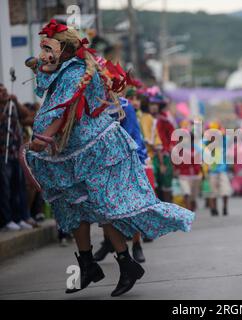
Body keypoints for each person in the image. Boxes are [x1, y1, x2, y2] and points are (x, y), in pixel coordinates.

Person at [24, 20, 194, 297]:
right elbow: (45, 89)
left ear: (65, 49)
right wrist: (41, 66)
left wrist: (43, 138)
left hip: (94, 150)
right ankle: (88, 263)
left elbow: (66, 109)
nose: (43, 52)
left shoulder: (76, 72)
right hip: (70, 152)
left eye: (48, 47)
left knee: (105, 207)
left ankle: (126, 263)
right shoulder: (65, 69)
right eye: (43, 47)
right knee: (72, 206)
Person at [94, 93, 149, 263]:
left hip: (125, 158)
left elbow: (132, 134)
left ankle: (136, 244)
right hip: (101, 161)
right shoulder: (90, 104)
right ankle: (108, 242)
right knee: (103, 204)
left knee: (132, 203)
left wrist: (135, 159)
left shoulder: (124, 106)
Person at [0, 84, 36, 231]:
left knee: (19, 187)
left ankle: (20, 217)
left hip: (17, 153)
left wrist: (15, 102)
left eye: (4, 91)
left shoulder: (13, 106)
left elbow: (27, 115)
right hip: (4, 154)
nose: (3, 93)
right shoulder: (4, 110)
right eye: (0, 92)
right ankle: (6, 220)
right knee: (5, 188)